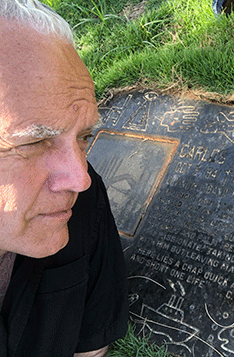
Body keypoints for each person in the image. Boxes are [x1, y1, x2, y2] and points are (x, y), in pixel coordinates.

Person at [0, 1, 128, 356]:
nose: (79, 179)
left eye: (84, 137)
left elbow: (93, 341)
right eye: (36, 141)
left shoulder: (85, 204)